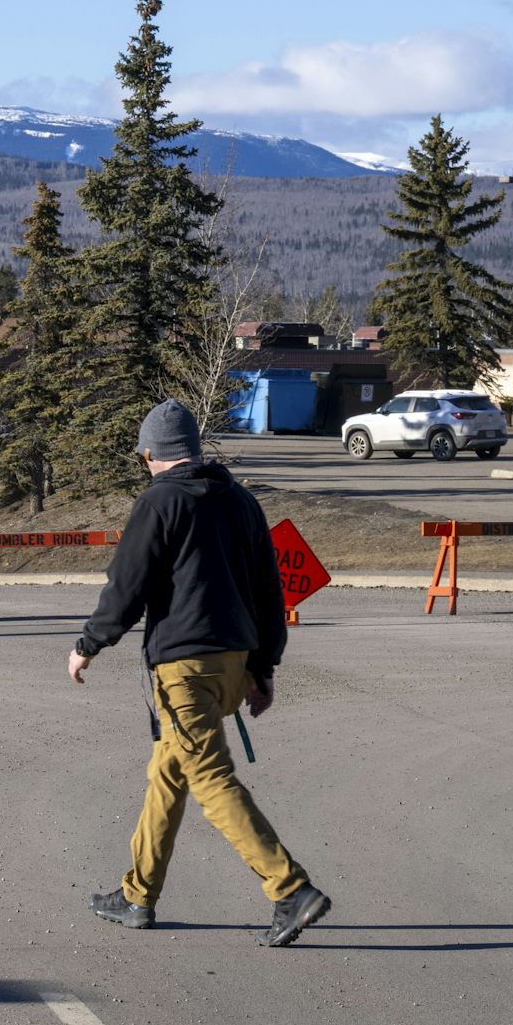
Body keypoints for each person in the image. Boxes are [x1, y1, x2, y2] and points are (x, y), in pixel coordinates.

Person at [67, 399, 330, 947]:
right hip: (233, 663)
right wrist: (264, 668)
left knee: (209, 777)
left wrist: (89, 643)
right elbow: (268, 591)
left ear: (149, 454)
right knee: (169, 771)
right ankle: (137, 894)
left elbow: (127, 586)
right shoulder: (241, 501)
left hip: (184, 670)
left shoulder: (158, 502)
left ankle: (290, 890)